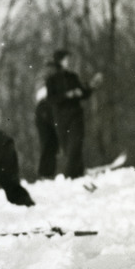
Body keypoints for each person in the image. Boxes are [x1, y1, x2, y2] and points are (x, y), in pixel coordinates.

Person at [45, 49, 103, 178]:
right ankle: (78, 173)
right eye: (66, 59)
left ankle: (69, 176)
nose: (69, 61)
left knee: (75, 145)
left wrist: (92, 86)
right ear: (60, 61)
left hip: (76, 116)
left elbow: (83, 93)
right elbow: (51, 99)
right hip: (61, 118)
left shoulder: (73, 77)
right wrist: (67, 95)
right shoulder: (52, 79)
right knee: (67, 149)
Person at [34, 60, 60, 179]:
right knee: (47, 142)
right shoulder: (44, 79)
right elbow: (42, 95)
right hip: (44, 109)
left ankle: (48, 172)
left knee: (52, 143)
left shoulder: (48, 79)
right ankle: (45, 173)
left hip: (48, 109)